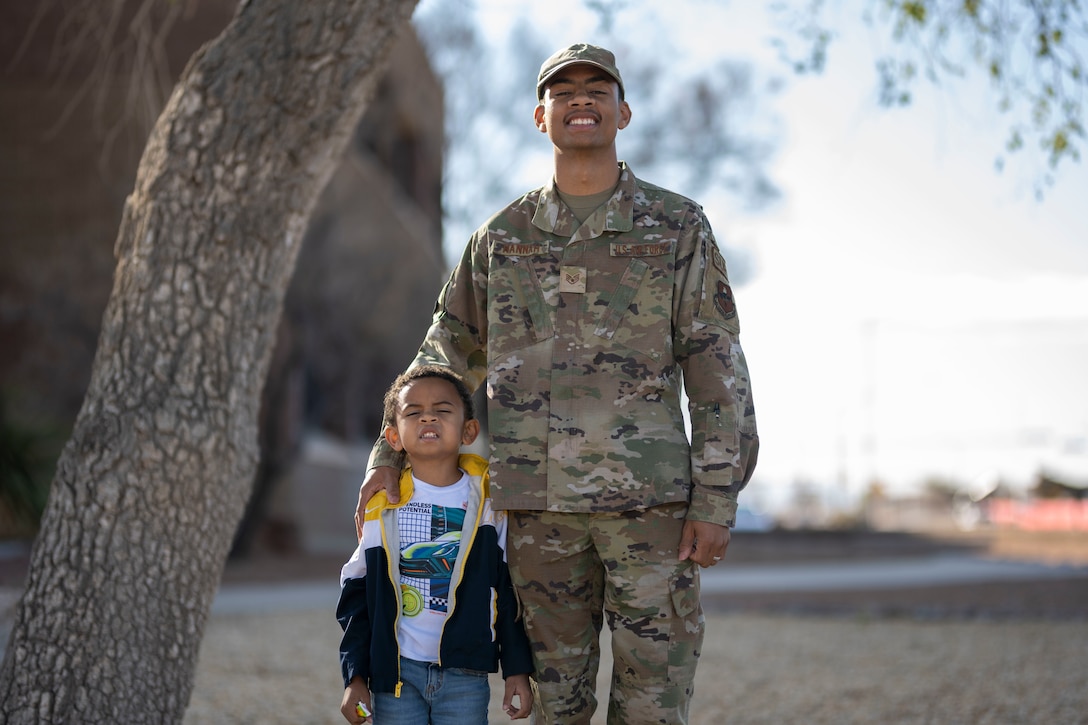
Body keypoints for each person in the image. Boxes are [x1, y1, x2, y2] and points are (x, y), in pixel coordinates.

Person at [355, 43, 759, 724]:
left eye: (596, 89)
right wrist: (388, 454)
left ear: (622, 111)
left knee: (654, 709)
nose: (580, 99)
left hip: (652, 514)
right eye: (562, 90)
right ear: (540, 116)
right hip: (536, 518)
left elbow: (715, 363)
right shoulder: (500, 241)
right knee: (552, 708)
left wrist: (716, 496)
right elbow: (445, 357)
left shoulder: (676, 228)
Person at [336, 365, 534, 724]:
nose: (428, 417)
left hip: (465, 676)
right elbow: (355, 597)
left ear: (469, 430)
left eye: (442, 410)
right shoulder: (382, 507)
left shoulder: (490, 505)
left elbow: (508, 594)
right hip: (394, 678)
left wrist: (516, 670)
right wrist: (355, 677)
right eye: (414, 412)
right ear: (393, 438)